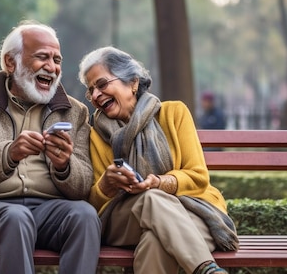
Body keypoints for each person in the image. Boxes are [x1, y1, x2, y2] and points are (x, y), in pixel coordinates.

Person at [0, 20, 101, 274]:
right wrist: (9, 153)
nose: (51, 67)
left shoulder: (75, 112)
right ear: (10, 62)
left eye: (57, 60)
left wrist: (64, 166)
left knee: (84, 215)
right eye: (42, 57)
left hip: (51, 210)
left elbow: (82, 186)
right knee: (16, 218)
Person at [78, 46, 239, 274]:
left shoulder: (174, 113)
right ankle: (205, 269)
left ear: (132, 82)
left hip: (194, 211)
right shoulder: (95, 134)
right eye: (90, 90)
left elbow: (198, 176)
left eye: (102, 84)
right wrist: (107, 184)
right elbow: (93, 207)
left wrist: (158, 182)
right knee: (151, 199)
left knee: (156, 240)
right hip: (123, 220)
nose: (95, 96)